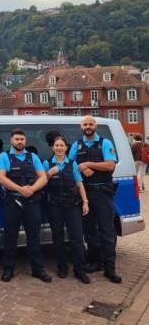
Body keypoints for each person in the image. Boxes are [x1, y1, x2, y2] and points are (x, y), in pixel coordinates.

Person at [68, 115, 121, 283]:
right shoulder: (76, 145)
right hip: (85, 194)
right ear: (81, 126)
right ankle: (95, 262)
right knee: (89, 231)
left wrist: (88, 164)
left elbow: (110, 165)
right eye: (85, 124)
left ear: (95, 125)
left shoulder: (105, 143)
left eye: (91, 124)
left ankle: (110, 268)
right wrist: (81, 170)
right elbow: (70, 165)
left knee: (106, 231)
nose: (88, 126)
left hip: (102, 193)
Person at [0, 128, 50, 283]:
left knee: (34, 237)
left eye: (22, 139)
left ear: (25, 141)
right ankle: (8, 270)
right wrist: (20, 189)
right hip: (12, 201)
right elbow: (1, 178)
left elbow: (43, 177)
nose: (20, 142)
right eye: (17, 139)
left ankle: (38, 270)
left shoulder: (33, 157)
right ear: (11, 140)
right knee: (10, 237)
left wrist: (31, 189)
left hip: (31, 201)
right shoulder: (4, 157)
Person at [43, 136, 90, 284]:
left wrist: (85, 202)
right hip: (54, 205)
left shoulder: (72, 163)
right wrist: (49, 173)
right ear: (53, 148)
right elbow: (41, 182)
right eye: (56, 145)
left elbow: (79, 183)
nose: (59, 148)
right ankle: (62, 267)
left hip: (71, 205)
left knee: (76, 237)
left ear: (66, 148)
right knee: (58, 237)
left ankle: (80, 270)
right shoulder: (47, 163)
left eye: (61, 145)